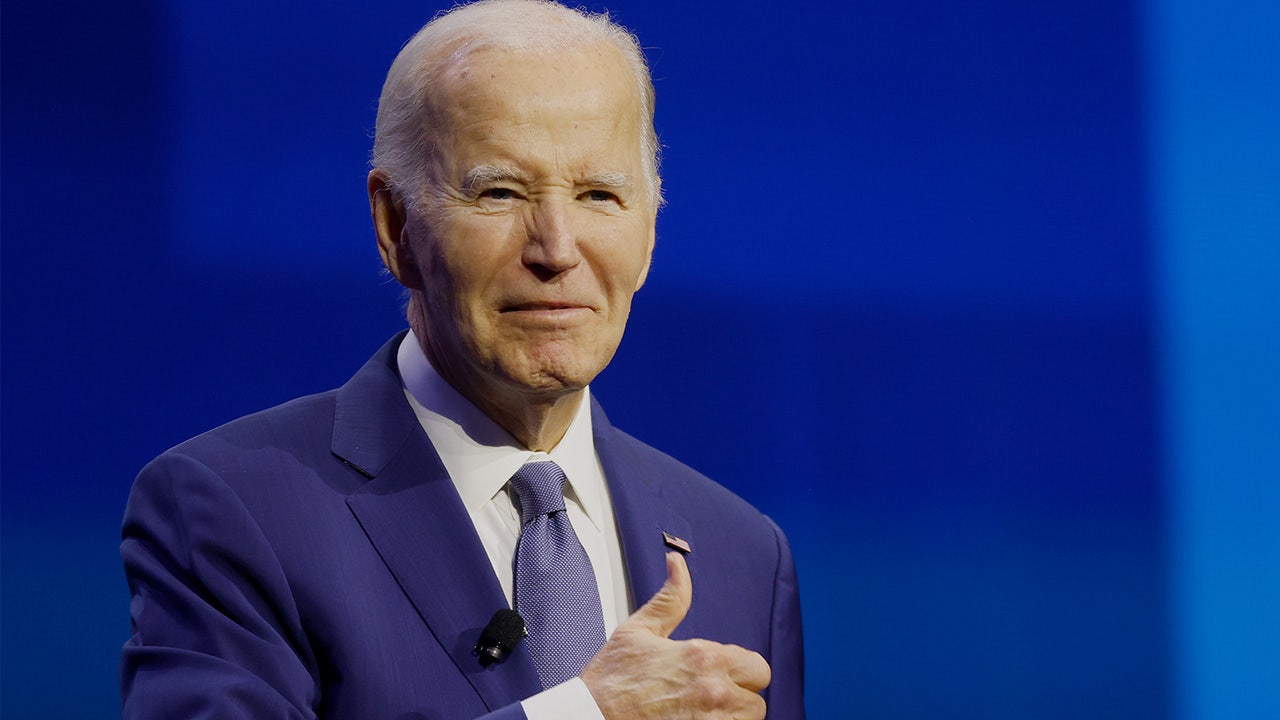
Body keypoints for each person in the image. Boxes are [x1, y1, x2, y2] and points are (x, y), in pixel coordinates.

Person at [119, 1, 804, 718]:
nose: (556, 249)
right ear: (396, 226)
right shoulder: (234, 510)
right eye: (500, 192)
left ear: (650, 233)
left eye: (599, 194)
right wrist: (583, 714)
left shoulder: (743, 555)